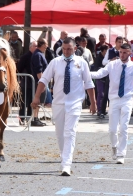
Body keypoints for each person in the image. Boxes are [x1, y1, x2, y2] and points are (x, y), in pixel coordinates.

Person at [31, 37, 96, 176]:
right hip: (58, 103)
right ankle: (64, 156)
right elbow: (44, 80)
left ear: (75, 49)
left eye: (69, 49)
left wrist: (93, 103)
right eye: (64, 49)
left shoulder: (82, 63)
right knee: (60, 134)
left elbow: (89, 83)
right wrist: (36, 97)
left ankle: (66, 164)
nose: (66, 51)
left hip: (75, 103)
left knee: (70, 132)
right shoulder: (55, 62)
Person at [91, 43, 133, 164]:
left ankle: (121, 154)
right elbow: (100, 74)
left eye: (125, 52)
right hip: (114, 99)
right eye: (120, 52)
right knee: (112, 129)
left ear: (130, 53)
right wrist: (86, 74)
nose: (122, 54)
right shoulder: (112, 64)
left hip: (127, 99)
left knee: (124, 128)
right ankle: (114, 147)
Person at [99, 36, 123, 118]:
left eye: (121, 42)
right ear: (115, 42)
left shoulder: (123, 51)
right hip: (110, 75)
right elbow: (103, 62)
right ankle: (102, 111)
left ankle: (118, 111)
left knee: (119, 94)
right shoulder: (110, 51)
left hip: (120, 76)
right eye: (119, 42)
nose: (120, 44)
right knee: (106, 93)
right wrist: (111, 61)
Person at [17, 41, 37, 125]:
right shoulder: (25, 57)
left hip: (33, 83)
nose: (36, 48)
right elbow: (18, 68)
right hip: (25, 82)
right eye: (35, 46)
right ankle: (21, 119)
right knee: (23, 102)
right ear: (30, 47)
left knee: (31, 103)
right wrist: (19, 79)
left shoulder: (37, 56)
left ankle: (29, 118)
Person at [31, 38, 48, 126]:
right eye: (46, 44)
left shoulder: (40, 54)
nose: (47, 46)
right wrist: (42, 83)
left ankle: (36, 117)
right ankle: (35, 118)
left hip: (39, 80)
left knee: (40, 100)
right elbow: (39, 70)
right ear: (43, 45)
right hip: (38, 81)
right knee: (37, 100)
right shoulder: (37, 55)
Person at [94, 44, 109, 116]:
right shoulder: (98, 58)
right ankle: (99, 109)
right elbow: (96, 68)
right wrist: (103, 69)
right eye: (106, 50)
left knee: (106, 94)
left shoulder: (108, 58)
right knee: (100, 94)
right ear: (103, 51)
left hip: (106, 78)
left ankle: (103, 109)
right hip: (100, 78)